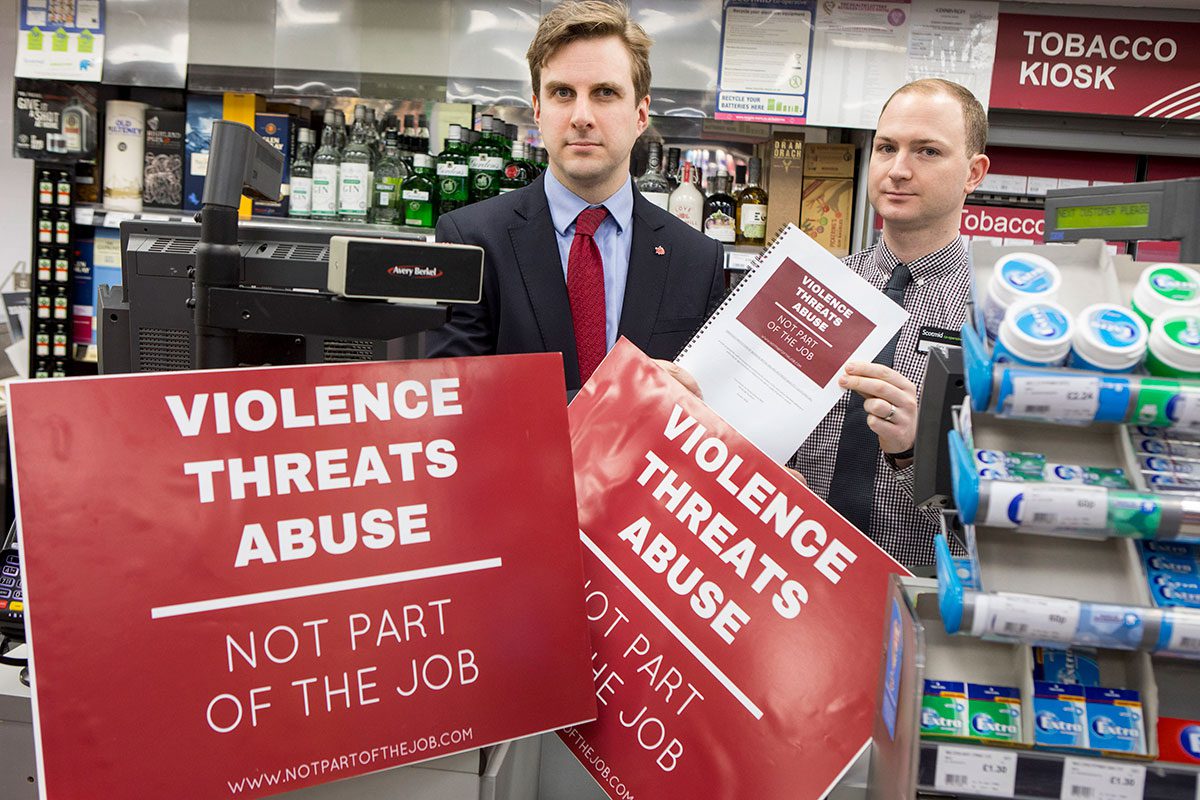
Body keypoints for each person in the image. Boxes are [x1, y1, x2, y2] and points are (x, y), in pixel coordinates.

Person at [424, 1, 725, 392]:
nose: (581, 116)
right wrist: (615, 400)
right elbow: (453, 398)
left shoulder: (696, 258)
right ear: (537, 109)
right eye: (563, 93)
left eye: (605, 92)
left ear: (640, 114)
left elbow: (715, 409)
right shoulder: (472, 240)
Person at [788, 78, 990, 568]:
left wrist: (915, 454)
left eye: (927, 151)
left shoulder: (993, 320)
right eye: (886, 148)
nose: (898, 170)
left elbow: (1003, 525)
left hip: (918, 596)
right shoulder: (812, 287)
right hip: (791, 579)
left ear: (973, 172)